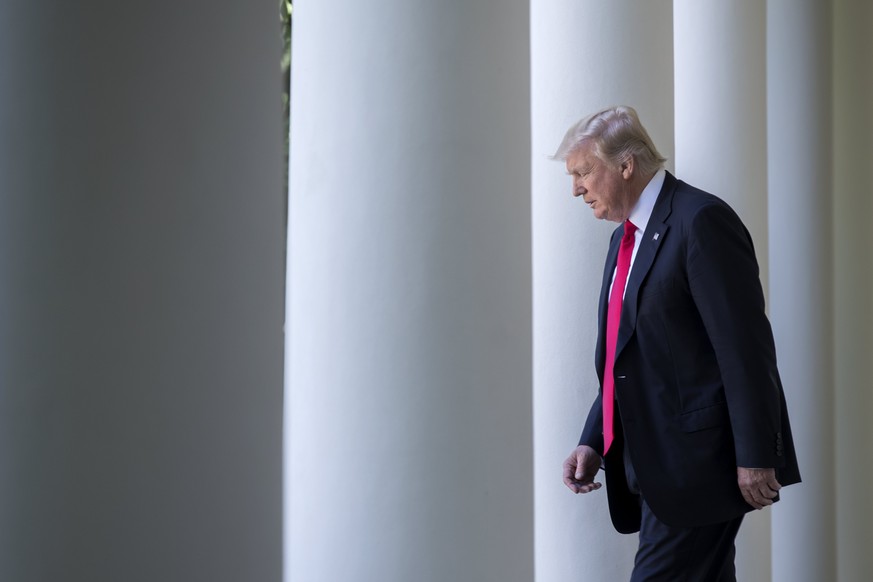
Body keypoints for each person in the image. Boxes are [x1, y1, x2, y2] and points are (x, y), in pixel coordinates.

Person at [557, 106, 800, 581]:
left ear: (626, 165)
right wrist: (595, 439)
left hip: (697, 467)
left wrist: (755, 455)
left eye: (584, 172)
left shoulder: (701, 221)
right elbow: (623, 357)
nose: (576, 189)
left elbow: (745, 348)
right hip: (648, 464)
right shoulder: (621, 240)